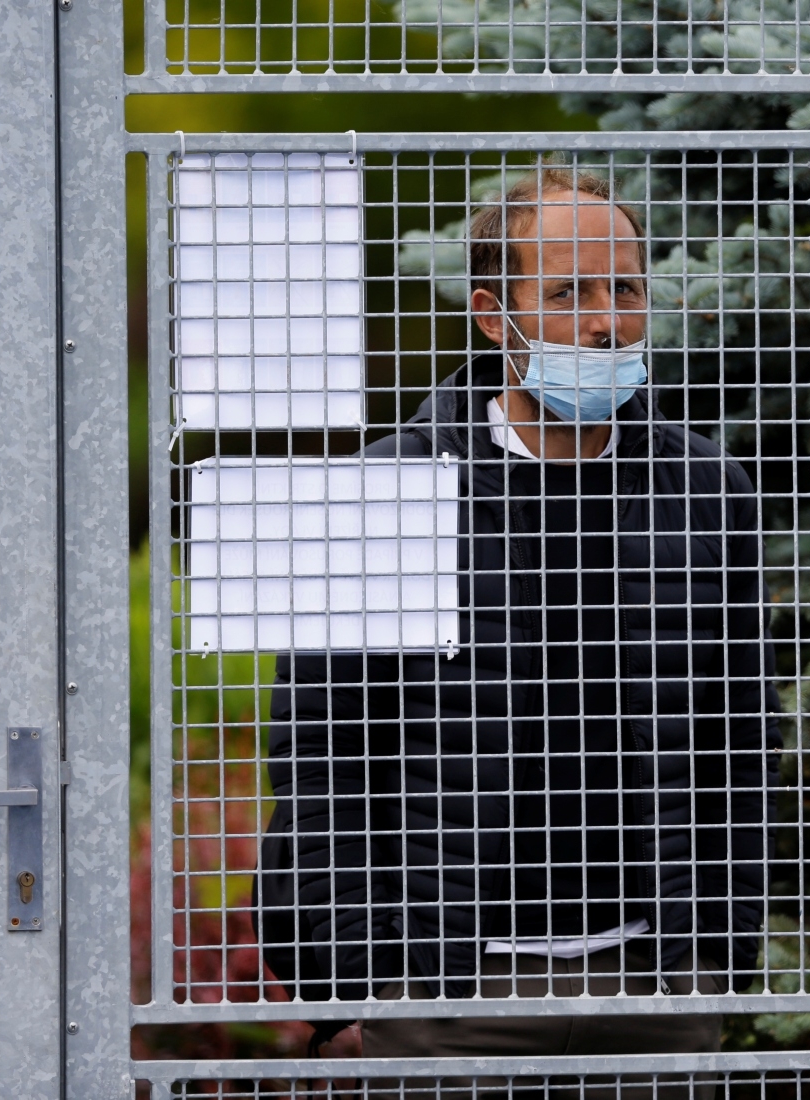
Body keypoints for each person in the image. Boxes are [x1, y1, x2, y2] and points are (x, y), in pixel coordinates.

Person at [264, 166, 782, 1063]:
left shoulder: (704, 486)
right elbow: (323, 750)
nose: (605, 321)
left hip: (654, 984)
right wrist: (357, 969)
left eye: (624, 288)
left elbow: (741, 729)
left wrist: (714, 941)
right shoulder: (380, 494)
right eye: (569, 291)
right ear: (491, 313)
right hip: (449, 991)